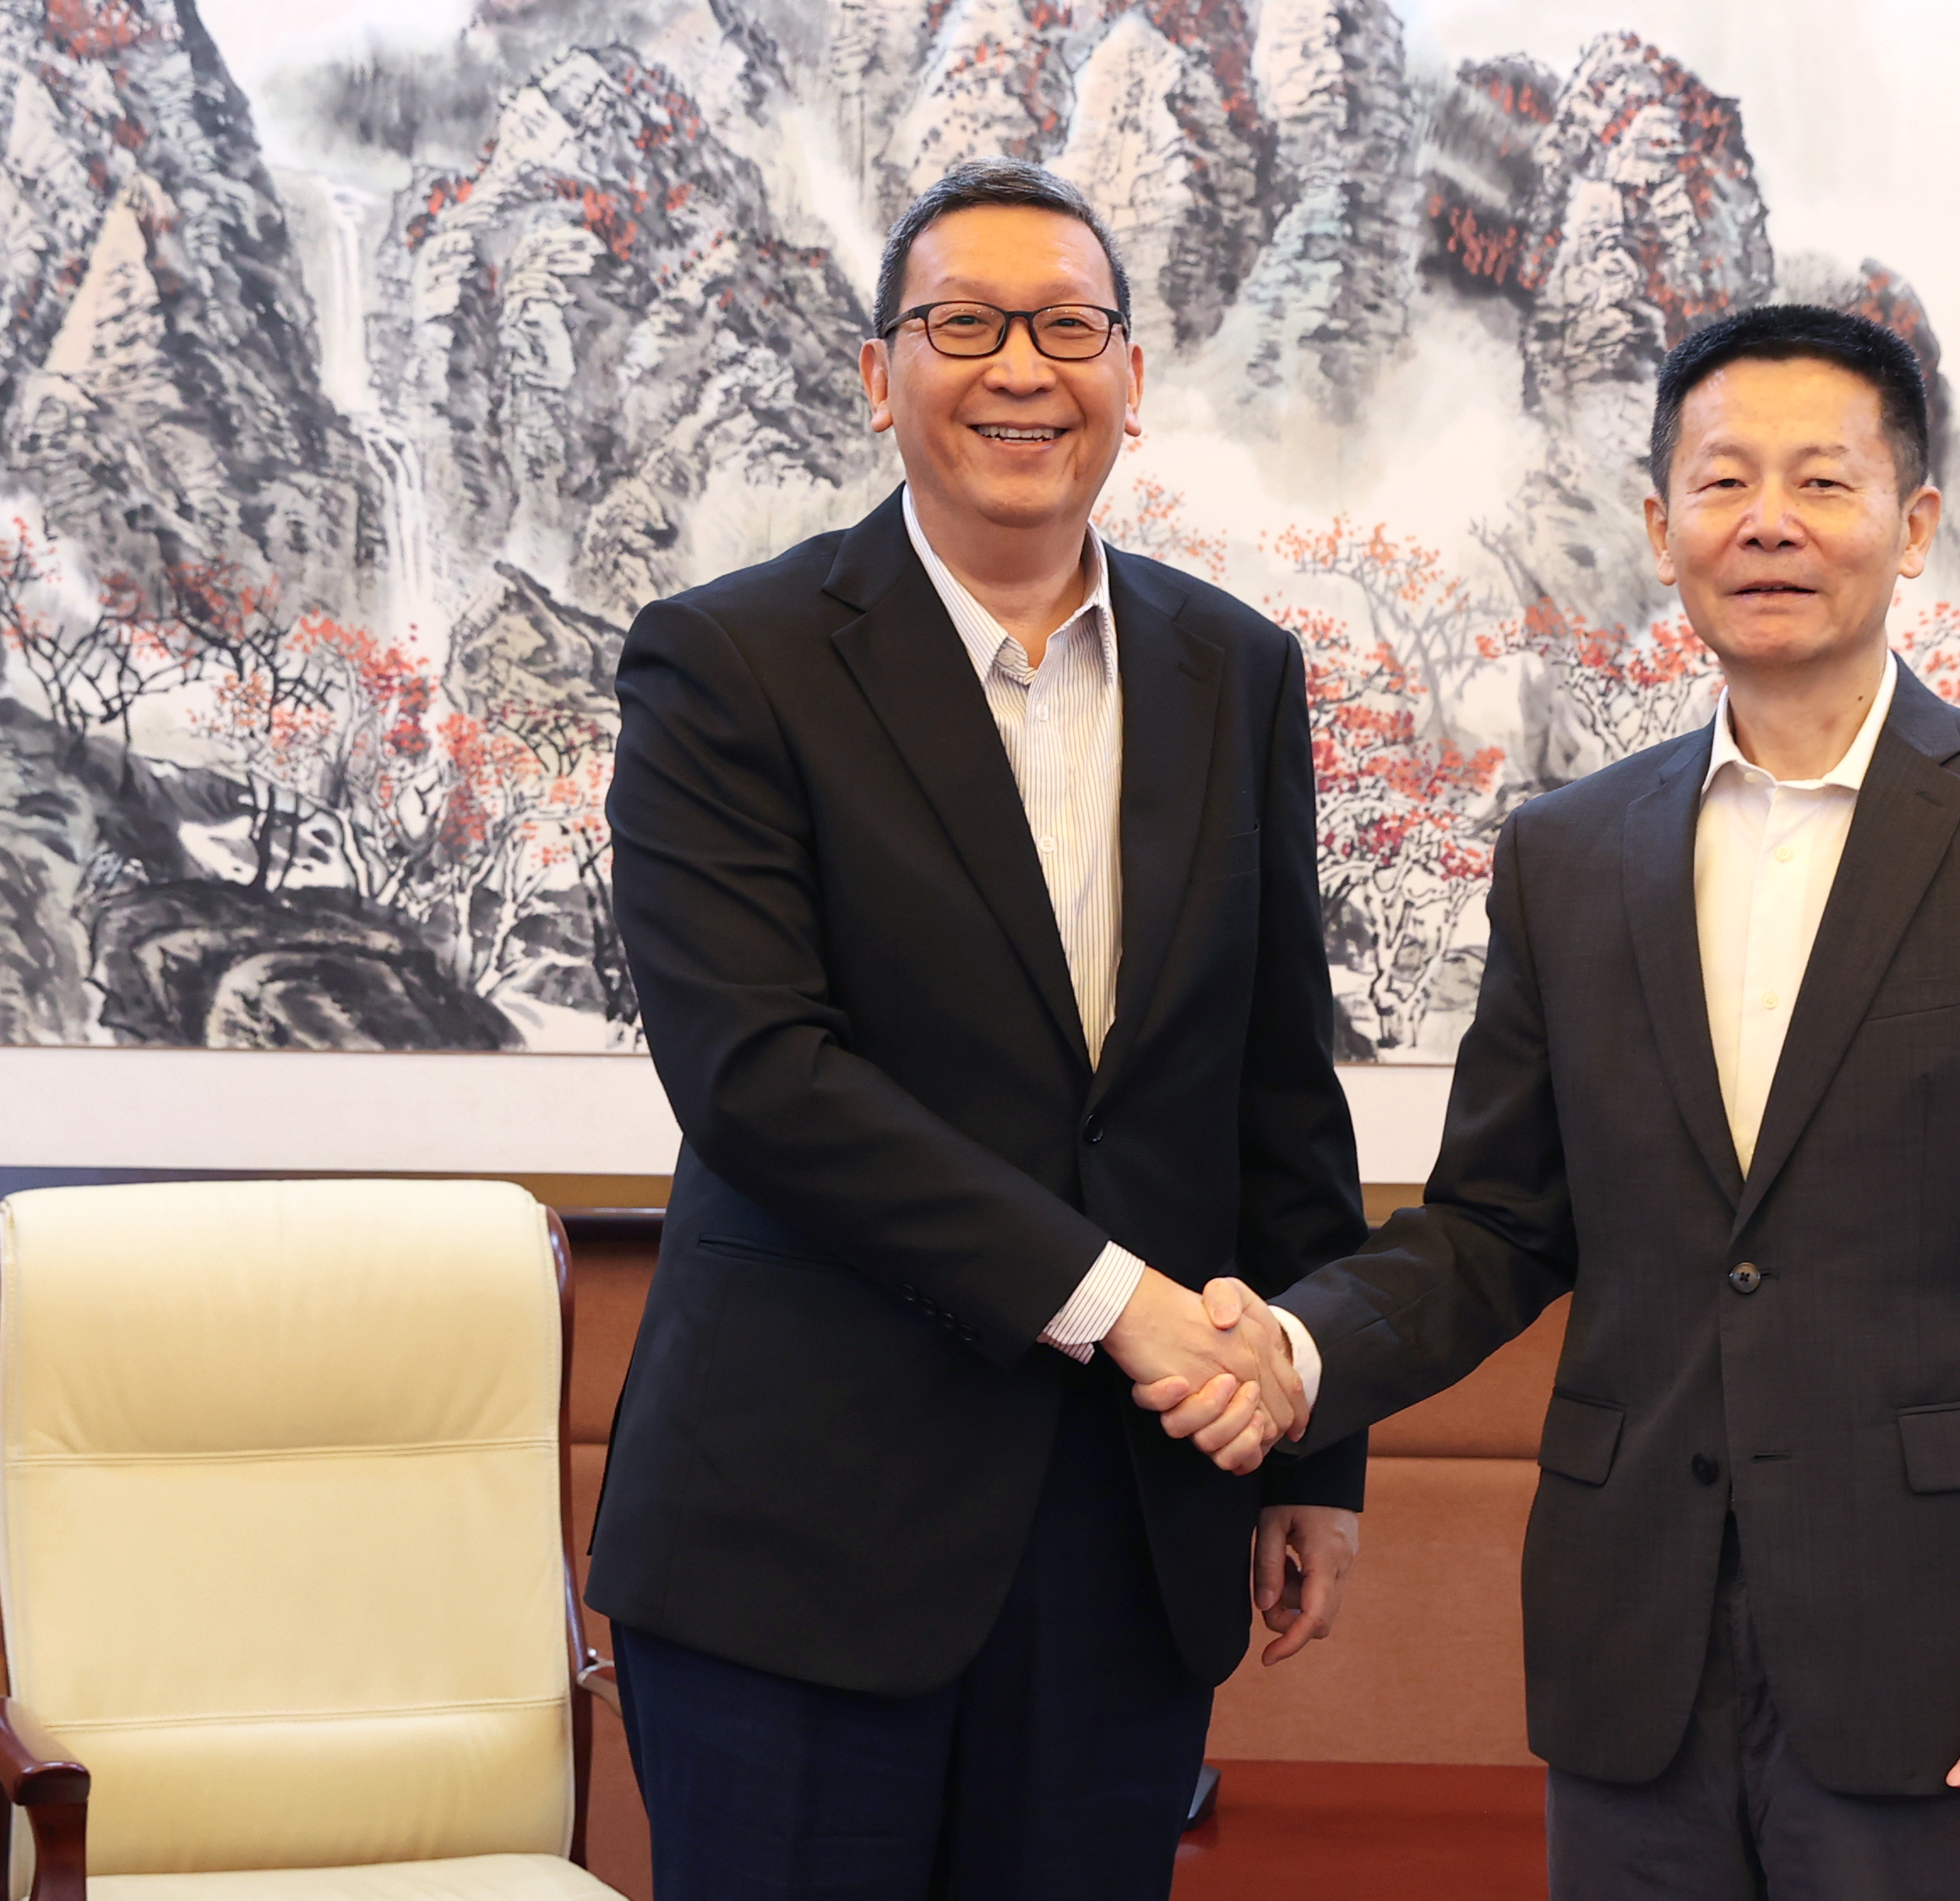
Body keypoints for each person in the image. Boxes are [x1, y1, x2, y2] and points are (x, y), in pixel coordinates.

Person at [1152, 305, 1960, 1898]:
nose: (1769, 521)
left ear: (1914, 525)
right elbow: (1494, 1228)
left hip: (1953, 1674)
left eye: (1823, 481)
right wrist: (1297, 1351)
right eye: (1724, 480)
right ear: (1660, 525)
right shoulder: (1568, 853)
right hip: (1635, 1661)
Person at [587, 158, 1367, 1901]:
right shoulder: (729, 662)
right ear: (881, 376)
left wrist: (1319, 1452)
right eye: (965, 325)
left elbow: (1274, 1080)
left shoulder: (1234, 669)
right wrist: (1118, 1302)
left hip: (1128, 1537)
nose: (1023, 367)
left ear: (1131, 377)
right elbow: (760, 1079)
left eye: (1069, 328)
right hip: (802, 1528)